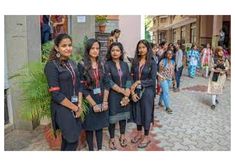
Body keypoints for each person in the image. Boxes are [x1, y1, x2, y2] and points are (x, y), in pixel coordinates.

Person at [44, 33, 82, 151]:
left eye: (70, 45)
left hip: (75, 105)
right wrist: (75, 108)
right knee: (72, 141)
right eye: (64, 45)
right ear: (56, 48)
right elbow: (56, 95)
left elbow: (79, 85)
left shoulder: (72, 63)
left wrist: (79, 105)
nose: (68, 48)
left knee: (68, 140)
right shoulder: (51, 66)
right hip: (62, 108)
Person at [79, 38, 109, 151]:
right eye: (92, 48)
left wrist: (105, 101)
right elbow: (82, 87)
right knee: (90, 127)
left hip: (101, 98)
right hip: (89, 99)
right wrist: (93, 104)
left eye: (97, 48)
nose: (95, 50)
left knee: (100, 126)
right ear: (88, 49)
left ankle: (100, 149)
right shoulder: (82, 64)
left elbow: (106, 83)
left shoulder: (102, 63)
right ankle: (91, 149)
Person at [105, 42, 132, 150]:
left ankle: (122, 135)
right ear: (110, 52)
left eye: (117, 50)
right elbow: (108, 81)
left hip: (125, 94)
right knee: (112, 118)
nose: (115, 52)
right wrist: (122, 91)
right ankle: (112, 138)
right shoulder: (107, 65)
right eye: (113, 50)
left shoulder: (125, 64)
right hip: (113, 95)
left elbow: (129, 78)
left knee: (123, 116)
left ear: (121, 52)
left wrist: (127, 94)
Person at [130, 40, 157, 148]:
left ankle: (146, 136)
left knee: (146, 113)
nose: (141, 50)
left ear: (147, 49)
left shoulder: (152, 62)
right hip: (136, 92)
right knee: (137, 112)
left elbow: (152, 79)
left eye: (143, 47)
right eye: (139, 47)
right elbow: (131, 77)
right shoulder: (135, 62)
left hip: (147, 92)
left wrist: (139, 82)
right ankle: (138, 133)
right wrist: (132, 92)